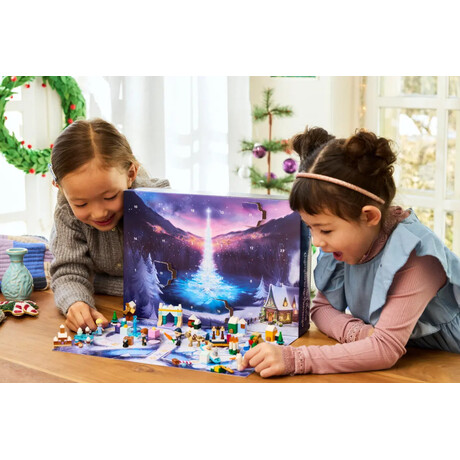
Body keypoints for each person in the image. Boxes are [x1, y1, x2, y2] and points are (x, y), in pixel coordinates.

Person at [241, 126, 460, 377]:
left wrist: (294, 358)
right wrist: (361, 334)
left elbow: (385, 349)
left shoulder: (417, 256)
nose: (317, 242)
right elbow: (321, 310)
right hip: (418, 359)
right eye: (311, 228)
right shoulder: (342, 245)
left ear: (369, 216)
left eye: (325, 230)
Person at [49, 118, 169, 332]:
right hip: (107, 307)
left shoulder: (158, 203)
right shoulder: (66, 211)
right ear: (60, 189)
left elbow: (168, 277)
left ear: (131, 174)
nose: (99, 213)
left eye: (110, 197)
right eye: (81, 203)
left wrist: (98, 282)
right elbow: (67, 270)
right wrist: (76, 302)